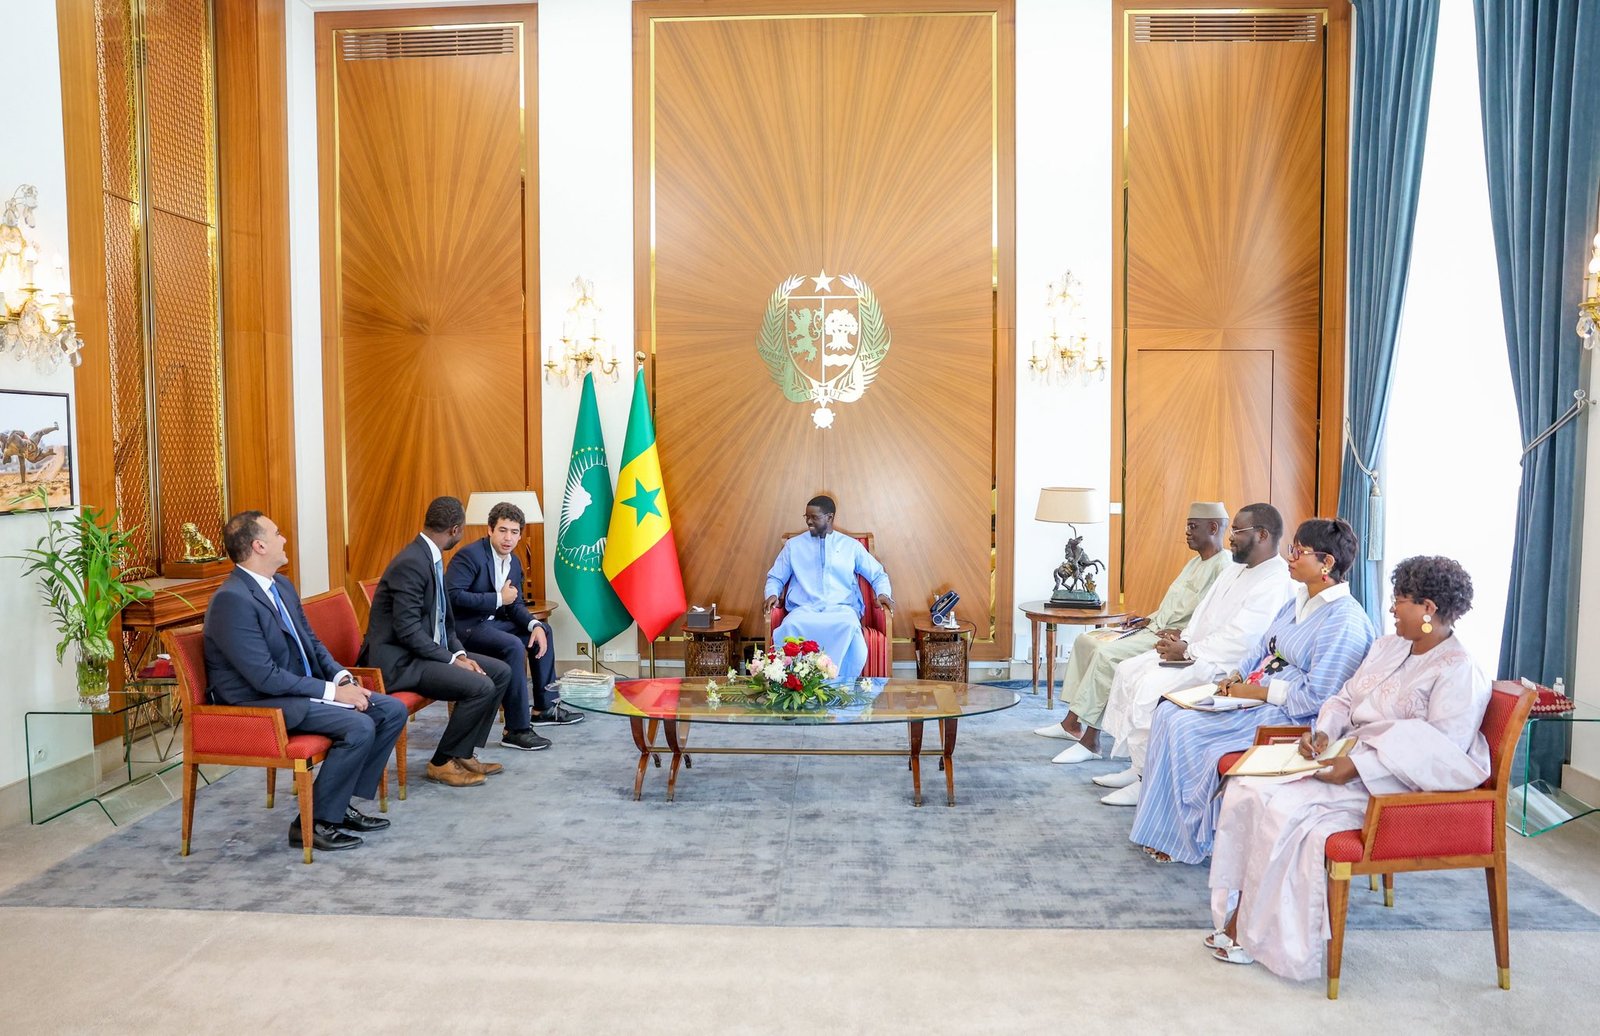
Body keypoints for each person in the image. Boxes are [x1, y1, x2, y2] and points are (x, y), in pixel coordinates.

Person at [1207, 555, 1490, 980]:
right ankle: (1243, 914)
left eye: (1400, 601)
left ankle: (1257, 932)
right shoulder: (1388, 646)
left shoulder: (1459, 670)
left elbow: (1440, 751)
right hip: (1342, 755)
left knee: (1286, 812)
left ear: (1428, 608)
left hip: (1392, 784)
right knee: (1248, 788)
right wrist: (1323, 732)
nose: (1392, 609)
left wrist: (1356, 766)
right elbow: (1342, 698)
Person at [1129, 517, 1375, 863]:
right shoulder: (1298, 600)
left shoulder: (1345, 620)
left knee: (1187, 727)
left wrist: (1255, 693)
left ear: (1327, 563)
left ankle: (1191, 835)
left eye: (1299, 552)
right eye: (1292, 549)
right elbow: (1263, 647)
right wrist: (1234, 677)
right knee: (1168, 710)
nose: (1290, 558)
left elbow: (1320, 698)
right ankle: (1163, 826)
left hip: (1291, 716)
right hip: (1254, 693)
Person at [204, 511, 406, 853]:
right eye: (277, 533)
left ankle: (336, 805)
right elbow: (263, 676)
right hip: (257, 703)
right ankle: (312, 823)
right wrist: (333, 693)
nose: (284, 539)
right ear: (259, 545)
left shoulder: (281, 585)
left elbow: (311, 642)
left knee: (390, 710)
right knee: (357, 726)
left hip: (293, 690)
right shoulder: (232, 600)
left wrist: (341, 676)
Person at [1086, 503, 1294, 806]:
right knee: (1128, 670)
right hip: (1195, 651)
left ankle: (1148, 781)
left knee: (1150, 687)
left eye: (1237, 530)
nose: (1231, 537)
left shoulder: (1276, 580)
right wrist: (1180, 639)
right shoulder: (1235, 569)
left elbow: (1242, 638)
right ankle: (1138, 767)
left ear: (1262, 535)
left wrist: (1190, 650)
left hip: (1223, 665)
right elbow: (1202, 615)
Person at [1037, 502, 1234, 761]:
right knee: (1086, 640)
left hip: (1171, 638)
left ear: (1213, 527)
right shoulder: (1194, 563)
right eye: (1187, 526)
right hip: (1152, 627)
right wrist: (1147, 619)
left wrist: (1183, 632)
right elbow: (1172, 605)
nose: (1186, 532)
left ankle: (1091, 741)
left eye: (1192, 527)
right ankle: (1072, 723)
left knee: (1107, 655)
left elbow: (1211, 618)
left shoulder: (1224, 567)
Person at [360, 496, 513, 788]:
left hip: (422, 654)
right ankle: (441, 762)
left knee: (499, 671)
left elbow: (445, 622)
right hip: (399, 662)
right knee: (480, 685)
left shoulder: (431, 557)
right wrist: (450, 660)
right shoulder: (412, 563)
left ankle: (463, 752)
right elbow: (408, 632)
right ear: (455, 529)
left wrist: (459, 653)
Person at [447, 500, 582, 751]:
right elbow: (452, 596)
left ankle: (544, 708)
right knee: (513, 646)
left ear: (520, 535)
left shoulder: (514, 562)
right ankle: (515, 729)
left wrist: (533, 625)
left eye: (514, 532)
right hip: (465, 630)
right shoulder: (470, 556)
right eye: (502, 530)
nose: (508, 538)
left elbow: (515, 604)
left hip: (493, 625)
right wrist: (498, 599)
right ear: (489, 529)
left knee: (544, 630)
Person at [762, 495, 893, 684]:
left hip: (842, 611)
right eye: (806, 517)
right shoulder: (794, 546)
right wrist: (772, 594)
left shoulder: (850, 546)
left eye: (814, 517)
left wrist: (883, 594)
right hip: (803, 610)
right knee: (790, 626)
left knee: (849, 627)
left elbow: (878, 574)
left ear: (829, 518)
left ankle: (841, 686)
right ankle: (796, 686)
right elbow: (775, 577)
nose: (808, 521)